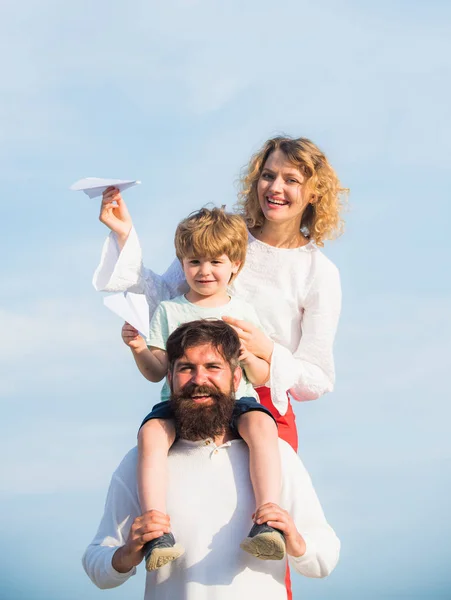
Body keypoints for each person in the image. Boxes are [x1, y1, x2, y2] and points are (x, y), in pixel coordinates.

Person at [94, 135, 347, 453]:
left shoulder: (320, 272)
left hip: (262, 404)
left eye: (291, 180)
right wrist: (123, 236)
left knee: (279, 497)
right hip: (195, 394)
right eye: (268, 175)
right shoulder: (226, 235)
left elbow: (318, 376)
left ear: (315, 193)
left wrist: (266, 350)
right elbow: (166, 297)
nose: (275, 188)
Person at [82, 320, 340, 600]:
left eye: (213, 367)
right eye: (186, 368)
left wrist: (296, 541)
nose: (199, 379)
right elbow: (97, 564)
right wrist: (125, 555)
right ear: (170, 378)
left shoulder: (275, 455)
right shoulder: (142, 461)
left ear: (236, 379)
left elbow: (325, 558)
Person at [124, 207, 284, 571]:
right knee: (150, 433)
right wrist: (137, 349)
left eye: (215, 261)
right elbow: (156, 373)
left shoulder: (244, 312)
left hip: (233, 401)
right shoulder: (168, 311)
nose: (204, 271)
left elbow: (258, 377)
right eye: (194, 261)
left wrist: (249, 355)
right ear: (181, 264)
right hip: (178, 404)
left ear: (236, 265)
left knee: (263, 426)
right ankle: (156, 529)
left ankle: (268, 518)